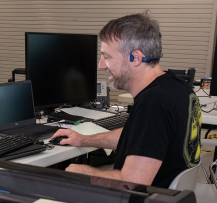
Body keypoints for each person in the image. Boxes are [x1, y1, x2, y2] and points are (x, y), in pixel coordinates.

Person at [52, 13, 202, 188]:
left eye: (107, 57)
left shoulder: (153, 103)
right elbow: (141, 139)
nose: (101, 65)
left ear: (136, 58)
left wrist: (84, 173)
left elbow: (131, 184)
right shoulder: (178, 87)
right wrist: (84, 140)